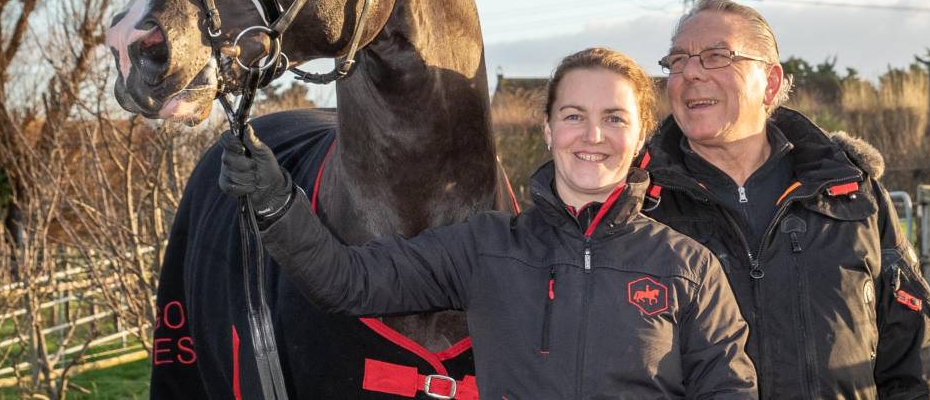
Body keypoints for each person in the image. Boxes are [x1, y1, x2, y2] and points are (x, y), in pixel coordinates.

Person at [219, 47, 759, 399]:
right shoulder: (485, 248)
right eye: (574, 116)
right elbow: (347, 282)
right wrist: (275, 201)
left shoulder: (688, 267)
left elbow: (728, 391)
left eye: (614, 118)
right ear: (548, 130)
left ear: (640, 138)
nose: (592, 135)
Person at [639, 0, 930, 399]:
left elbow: (916, 364)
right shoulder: (639, 205)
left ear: (770, 82)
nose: (690, 73)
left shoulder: (850, 195)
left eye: (716, 56)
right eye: (678, 61)